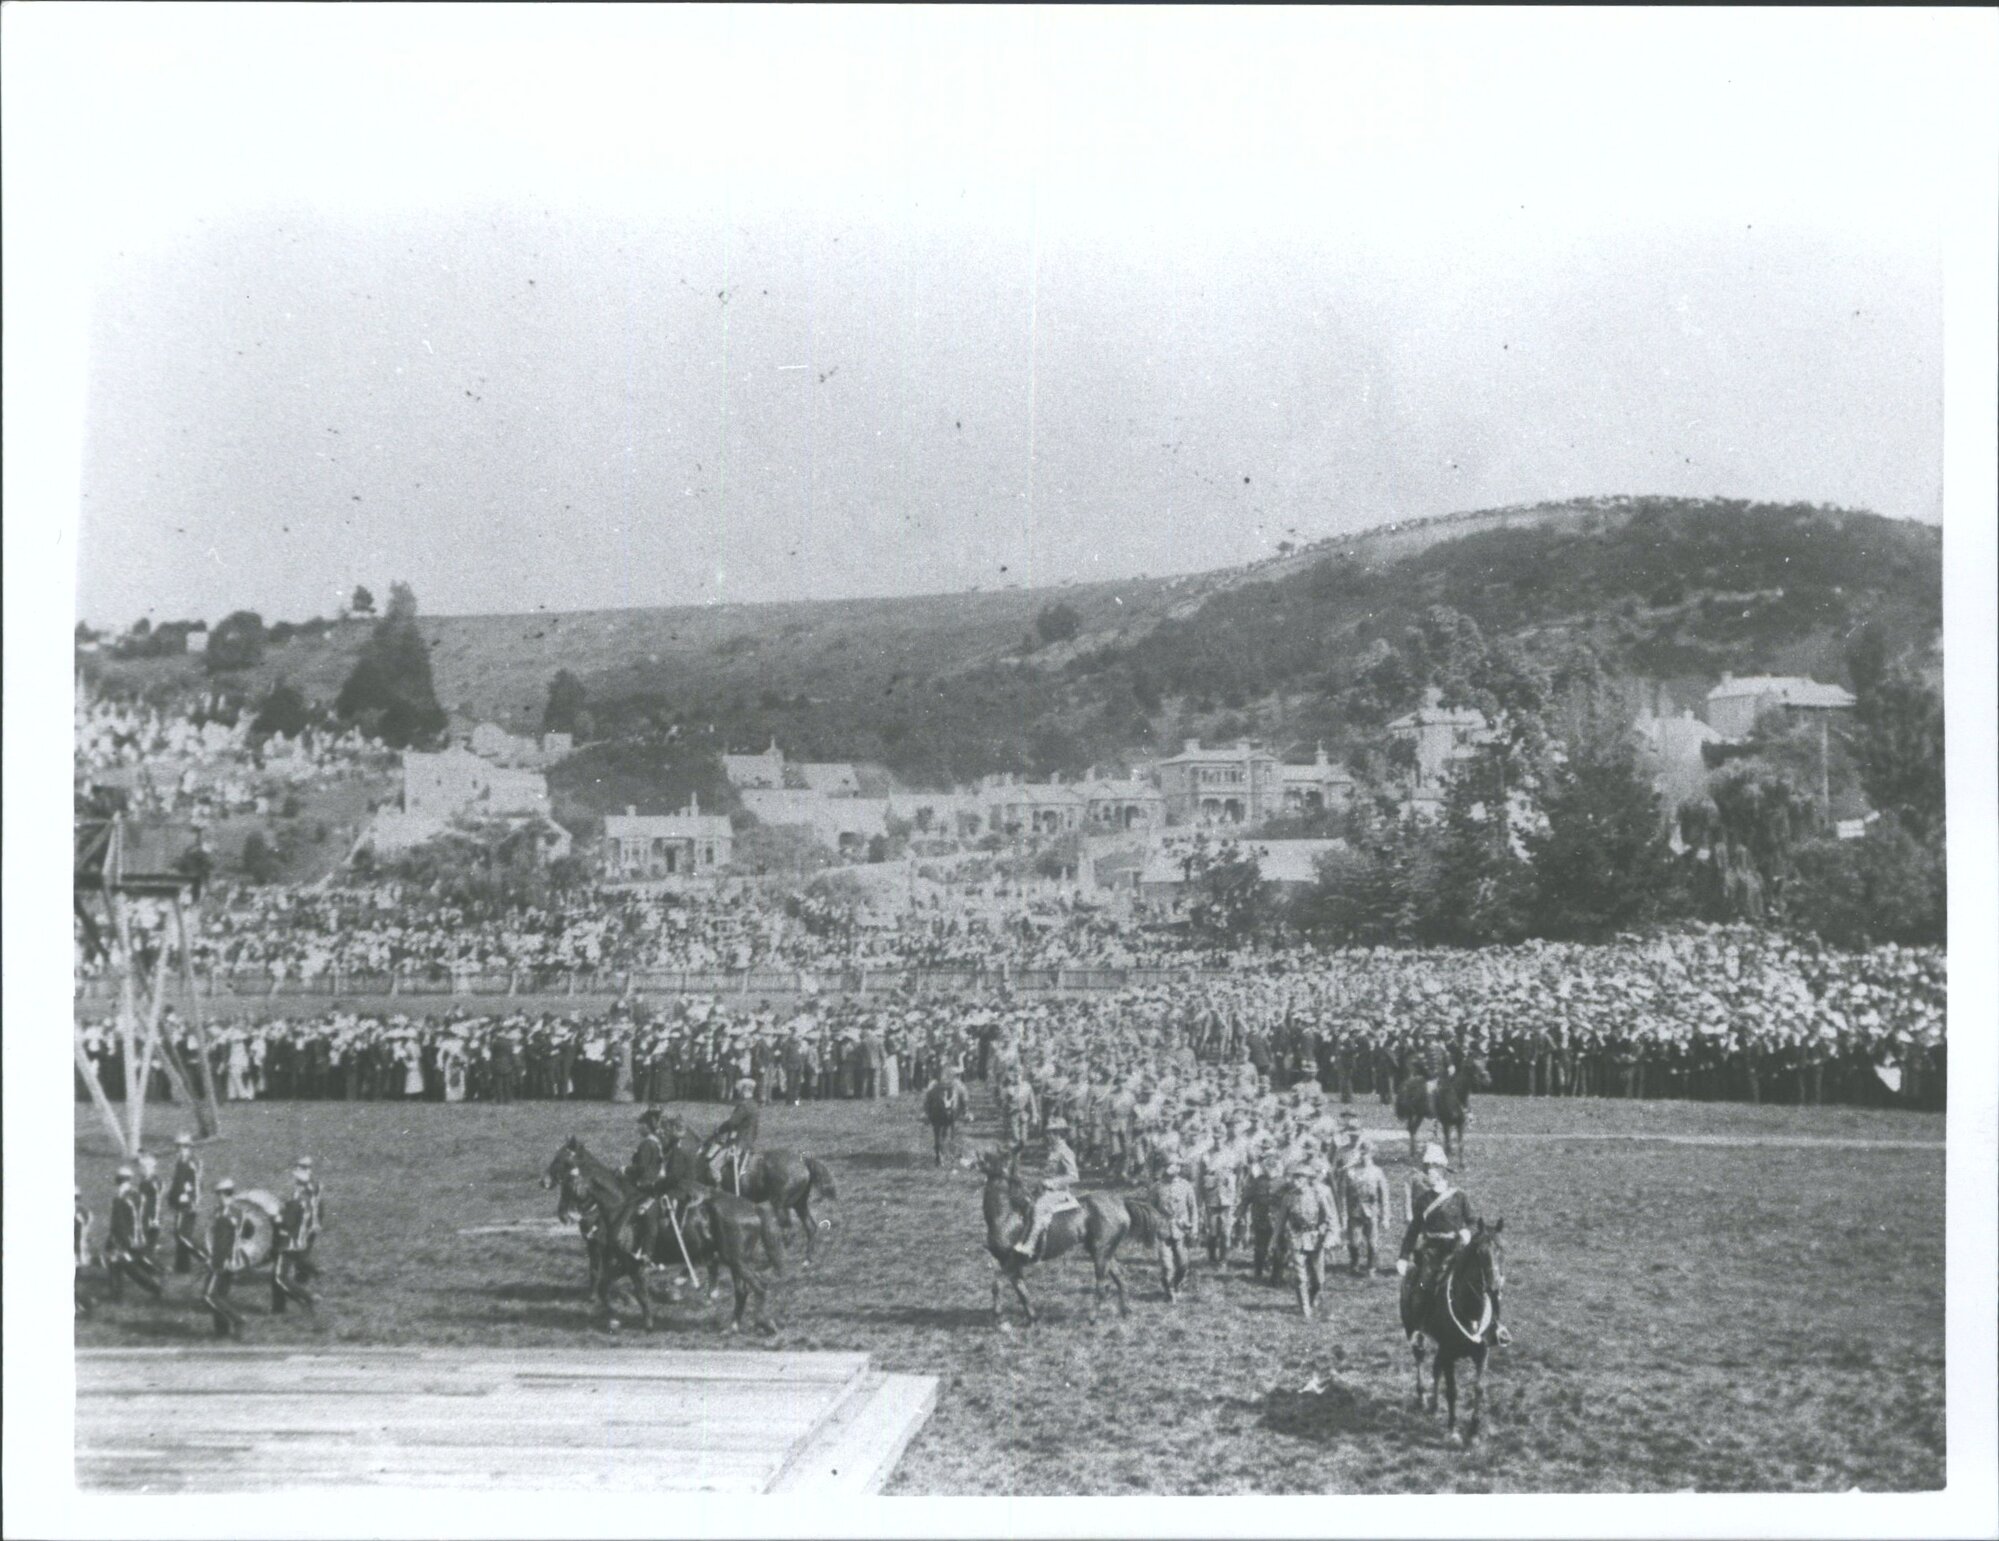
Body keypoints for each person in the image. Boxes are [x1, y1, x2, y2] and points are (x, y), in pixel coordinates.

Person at [1279, 1160, 1337, 1320]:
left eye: (1300, 1177)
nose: (1296, 1180)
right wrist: (1274, 1240)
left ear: (1308, 1179)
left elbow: (1330, 1218)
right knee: (1300, 1276)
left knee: (1318, 1279)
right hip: (1296, 1238)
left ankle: (1311, 1300)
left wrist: (1330, 1236)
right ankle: (1305, 1309)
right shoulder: (1288, 1198)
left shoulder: (1318, 1195)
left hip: (1315, 1239)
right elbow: (1280, 1222)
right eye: (1294, 1177)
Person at [1014, 1120, 1081, 1257]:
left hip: (1059, 1192)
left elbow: (1074, 1176)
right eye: (1048, 1132)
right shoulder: (1053, 1150)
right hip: (1045, 1190)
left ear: (1059, 1134)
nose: (1048, 1136)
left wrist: (1051, 1183)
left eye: (1051, 1133)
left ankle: (1030, 1246)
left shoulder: (1066, 1152)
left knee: (1039, 1208)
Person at [106, 1166, 163, 1301]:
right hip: (139, 1236)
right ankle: (155, 1283)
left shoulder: (119, 1198)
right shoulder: (138, 1195)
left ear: (117, 1181)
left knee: (120, 1264)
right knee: (127, 1264)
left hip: (125, 1239)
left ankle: (118, 1296)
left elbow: (118, 1224)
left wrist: (115, 1241)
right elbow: (144, 1217)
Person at [1339, 1134, 1391, 1275]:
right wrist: (1343, 1215)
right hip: (1355, 1210)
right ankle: (1354, 1264)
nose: (1363, 1157)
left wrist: (1385, 1217)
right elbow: (1343, 1195)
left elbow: (1384, 1196)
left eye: (1366, 1154)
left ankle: (1371, 1267)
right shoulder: (1350, 1172)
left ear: (1372, 1154)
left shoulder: (1377, 1172)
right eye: (1361, 1154)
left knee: (1372, 1242)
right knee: (1354, 1242)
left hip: (1372, 1211)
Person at [201, 1178, 246, 1338]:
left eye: (220, 1194)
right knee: (220, 1296)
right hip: (219, 1258)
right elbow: (213, 1237)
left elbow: (231, 1240)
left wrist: (227, 1259)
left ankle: (237, 1319)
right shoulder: (220, 1212)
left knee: (209, 1295)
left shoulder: (233, 1214)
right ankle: (221, 1331)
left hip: (224, 1260)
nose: (219, 1197)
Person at [1153, 1158, 1199, 1295]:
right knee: (1167, 1266)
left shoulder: (1186, 1186)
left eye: (1175, 1165)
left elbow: (1193, 1209)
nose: (1172, 1168)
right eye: (1169, 1165)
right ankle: (1169, 1290)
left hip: (1181, 1229)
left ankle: (1177, 1284)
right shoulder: (1157, 1187)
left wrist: (1194, 1228)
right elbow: (1149, 1210)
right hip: (1163, 1230)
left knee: (1183, 1265)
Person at [706, 1080, 760, 1194]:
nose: (738, 1092)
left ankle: (719, 1190)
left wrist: (719, 1130)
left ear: (744, 1090)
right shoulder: (755, 1105)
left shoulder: (744, 1105)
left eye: (740, 1090)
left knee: (713, 1165)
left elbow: (732, 1122)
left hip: (738, 1143)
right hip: (750, 1142)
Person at [165, 1131, 203, 1274]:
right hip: (178, 1202)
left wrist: (193, 1200)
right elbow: (177, 1182)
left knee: (182, 1234)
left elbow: (197, 1183)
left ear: (190, 1146)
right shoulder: (179, 1161)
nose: (181, 1149)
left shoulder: (193, 1162)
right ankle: (182, 1267)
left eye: (185, 1146)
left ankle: (204, 1256)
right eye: (179, 1146)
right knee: (181, 1234)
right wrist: (171, 1198)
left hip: (187, 1203)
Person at [75, 1184, 95, 1317]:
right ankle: (86, 1302)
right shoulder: (86, 1212)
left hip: (75, 1251)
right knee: (78, 1278)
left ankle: (83, 1304)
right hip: (83, 1250)